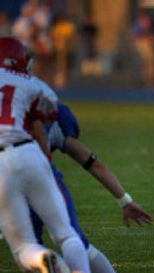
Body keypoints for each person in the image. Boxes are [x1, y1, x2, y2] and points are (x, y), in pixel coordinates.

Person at [0, 36, 90, 272]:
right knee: (66, 234)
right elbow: (43, 123)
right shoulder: (35, 84)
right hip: (28, 150)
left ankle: (42, 257)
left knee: (23, 248)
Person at [30, 102, 153, 273]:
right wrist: (125, 201)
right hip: (40, 175)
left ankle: (48, 261)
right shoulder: (44, 99)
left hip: (5, 177)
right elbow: (92, 163)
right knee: (72, 239)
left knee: (27, 248)